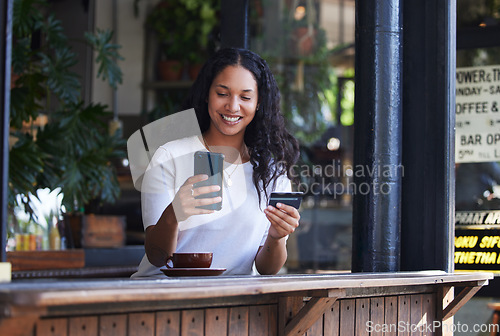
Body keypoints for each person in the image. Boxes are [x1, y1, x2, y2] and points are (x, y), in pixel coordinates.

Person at [131, 48, 301, 278]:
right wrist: (173, 214)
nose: (232, 106)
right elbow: (156, 256)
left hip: (233, 303)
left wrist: (276, 237)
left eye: (246, 97)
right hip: (165, 298)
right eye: (222, 93)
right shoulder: (169, 157)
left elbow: (266, 269)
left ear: (259, 103)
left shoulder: (272, 173)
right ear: (207, 94)